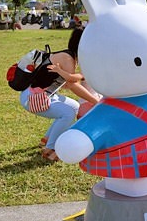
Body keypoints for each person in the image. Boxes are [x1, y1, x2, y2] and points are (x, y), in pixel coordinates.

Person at [19, 27, 99, 161]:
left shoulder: (67, 56)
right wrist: (95, 102)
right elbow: (72, 85)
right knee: (68, 114)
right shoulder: (68, 59)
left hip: (37, 94)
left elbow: (68, 83)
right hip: (33, 98)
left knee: (74, 106)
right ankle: (50, 149)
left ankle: (47, 139)